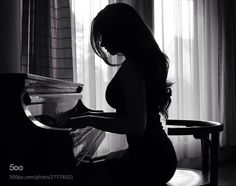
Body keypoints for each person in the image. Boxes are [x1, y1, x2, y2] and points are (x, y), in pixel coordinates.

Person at [67, 3, 177, 186]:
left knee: (79, 176)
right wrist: (90, 116)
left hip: (150, 161)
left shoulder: (132, 67)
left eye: (104, 35)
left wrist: (88, 120)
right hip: (155, 153)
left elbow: (136, 125)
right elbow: (133, 115)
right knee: (92, 166)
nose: (101, 43)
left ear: (120, 32)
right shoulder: (142, 62)